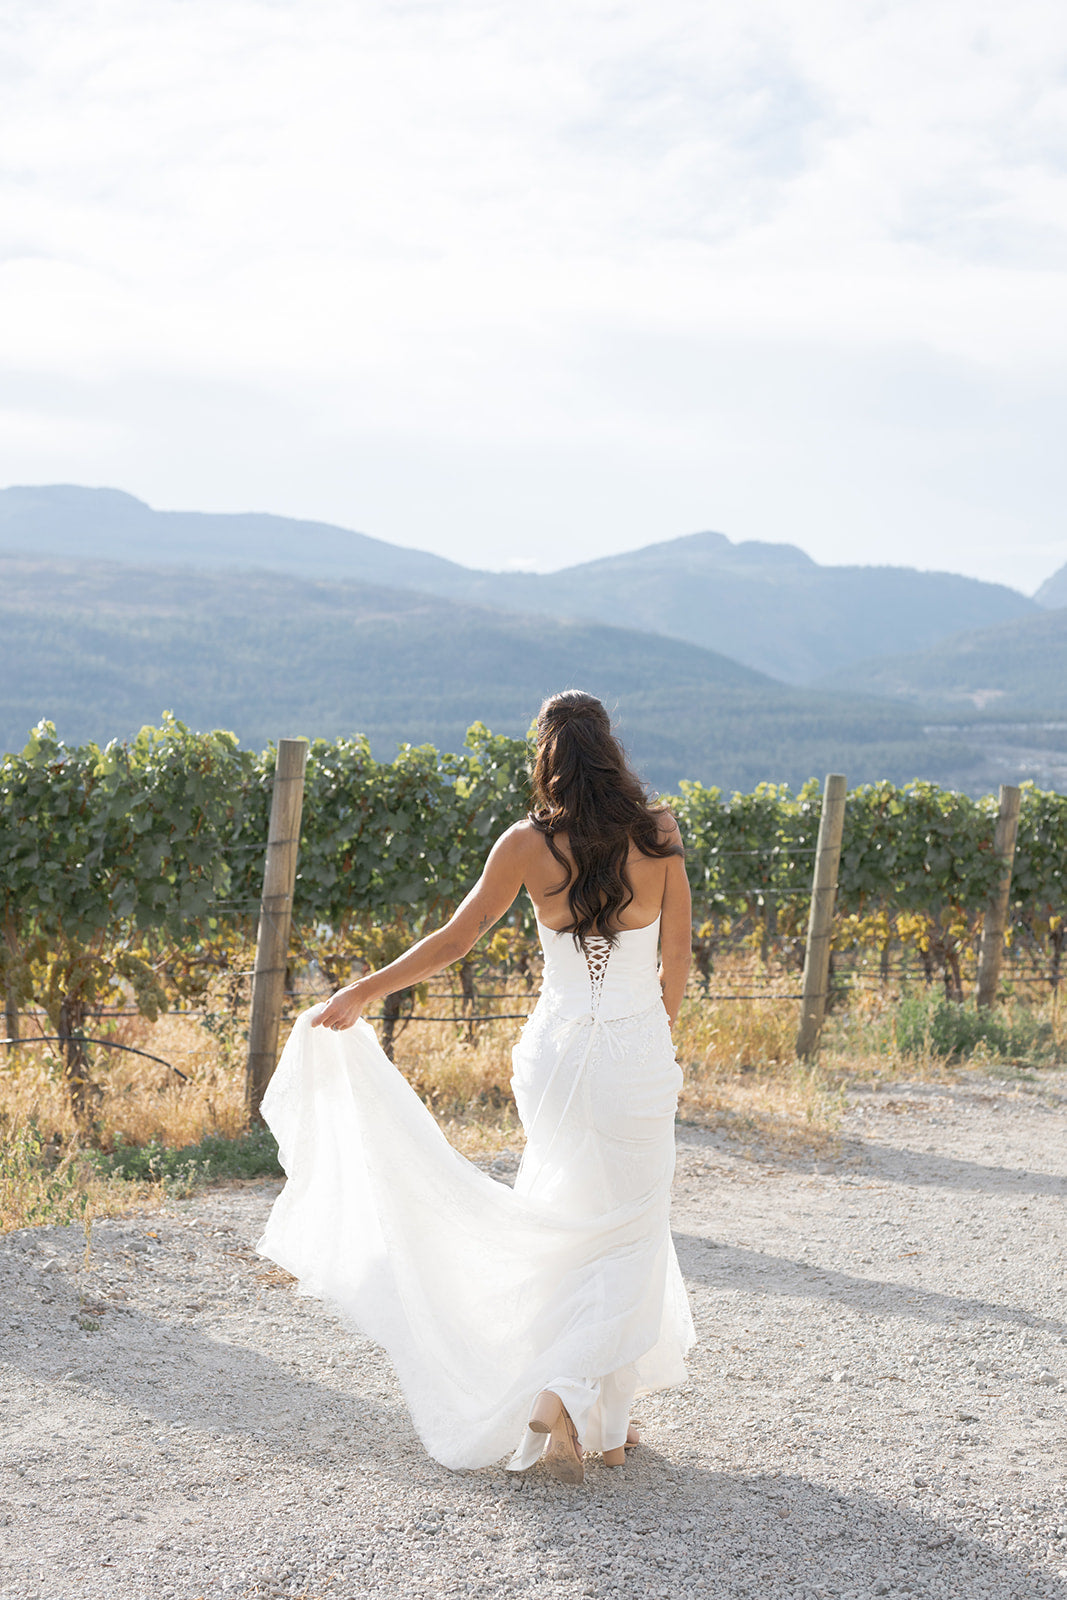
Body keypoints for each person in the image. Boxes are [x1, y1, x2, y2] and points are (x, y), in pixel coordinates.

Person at [257, 690, 695, 1483]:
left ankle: (606, 1424)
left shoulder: (526, 844)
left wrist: (361, 990)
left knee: (571, 1216)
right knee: (628, 1227)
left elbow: (454, 940)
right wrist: (652, 1042)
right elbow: (676, 962)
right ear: (610, 750)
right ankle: (563, 1394)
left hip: (555, 1058)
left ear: (547, 759)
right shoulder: (657, 834)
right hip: (632, 1055)